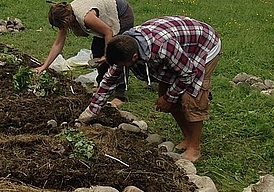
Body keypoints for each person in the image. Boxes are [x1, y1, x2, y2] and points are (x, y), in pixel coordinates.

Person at [77, 15, 222, 162]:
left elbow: (188, 74)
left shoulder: (162, 47)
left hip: (203, 45)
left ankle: (194, 148)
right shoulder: (122, 46)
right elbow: (108, 82)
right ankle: (187, 137)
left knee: (192, 97)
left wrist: (168, 98)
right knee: (167, 94)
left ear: (134, 57)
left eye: (123, 65)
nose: (120, 68)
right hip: (180, 46)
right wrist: (89, 113)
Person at [35, 0, 134, 104]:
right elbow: (58, 44)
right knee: (96, 50)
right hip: (104, 20)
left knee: (118, 53)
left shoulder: (86, 17)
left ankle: (120, 94)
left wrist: (107, 55)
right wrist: (44, 66)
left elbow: (108, 32)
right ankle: (103, 85)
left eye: (62, 25)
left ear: (67, 18)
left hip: (121, 14)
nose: (62, 28)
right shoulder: (67, 16)